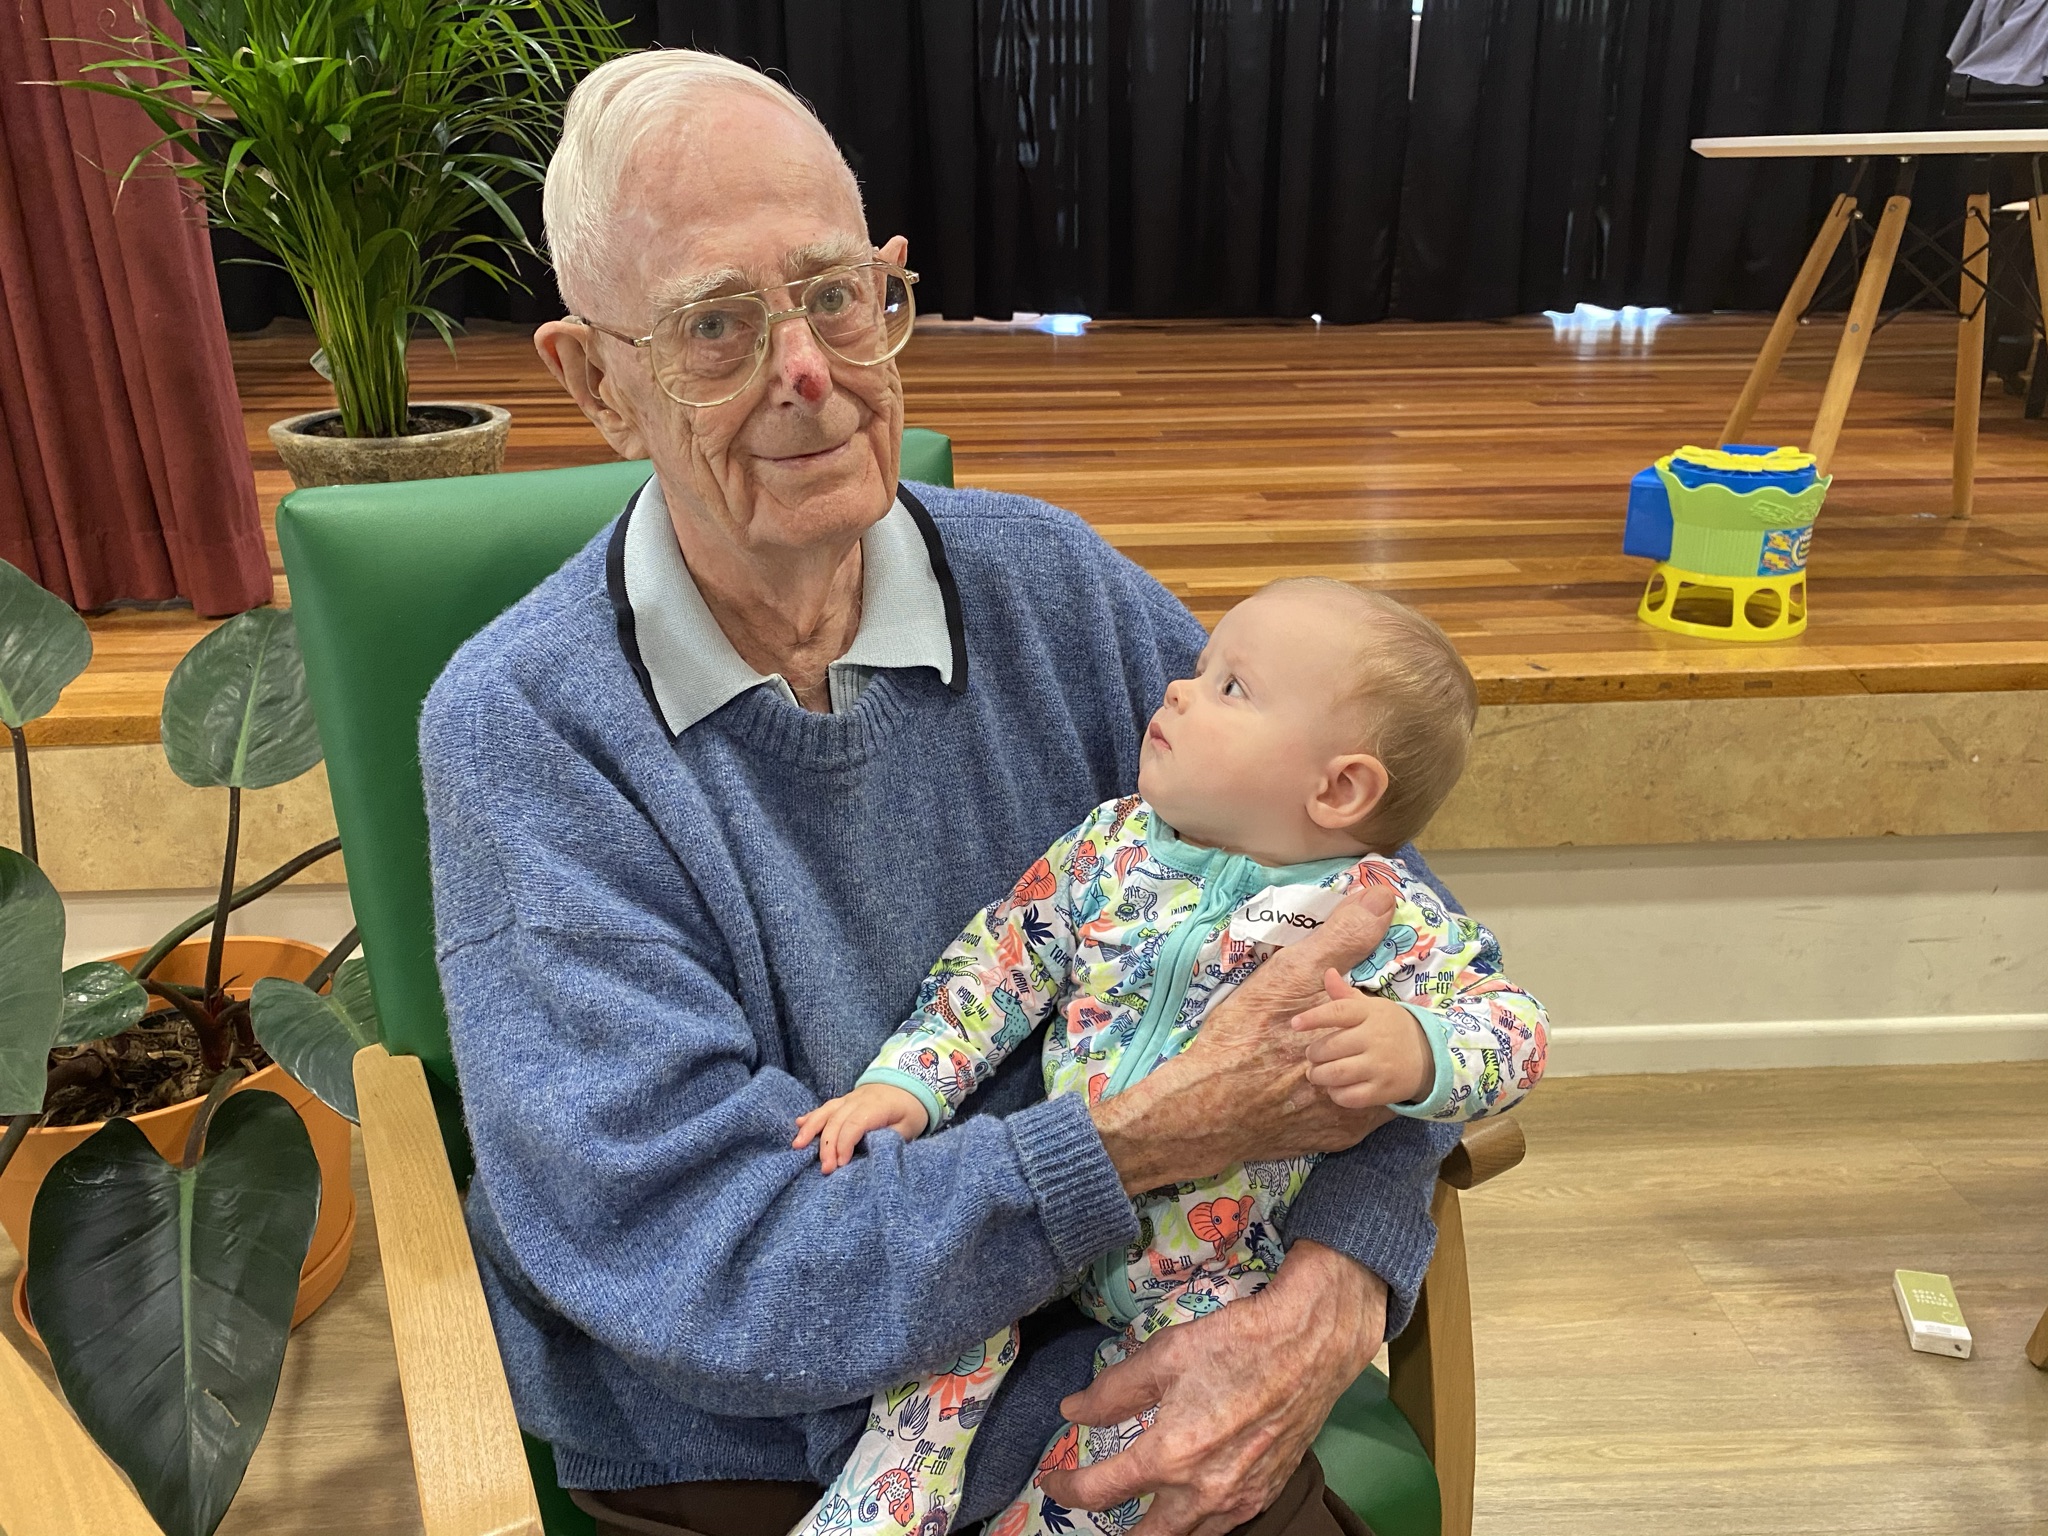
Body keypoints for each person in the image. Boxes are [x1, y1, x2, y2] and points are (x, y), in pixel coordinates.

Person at [420, 47, 1475, 1536]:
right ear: (596, 381)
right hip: (754, 1440)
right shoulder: (529, 730)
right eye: (717, 326)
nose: (809, 373)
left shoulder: (1054, 590)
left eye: (839, 294)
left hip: (1126, 1354)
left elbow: (1397, 932)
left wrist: (1333, 1289)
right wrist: (1146, 1135)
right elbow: (708, 1264)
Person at [791, 579, 1548, 1536]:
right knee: (952, 1275)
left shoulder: (1384, 920)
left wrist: (1419, 1048)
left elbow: (1512, 1025)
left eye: (1231, 687)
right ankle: (899, 1480)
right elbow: (1002, 961)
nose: (1179, 692)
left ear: (1340, 788)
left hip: (1212, 1267)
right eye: (1197, 670)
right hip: (1054, 1196)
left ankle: (1052, 1518)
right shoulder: (1110, 849)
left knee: (1164, 1419)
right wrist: (910, 1081)